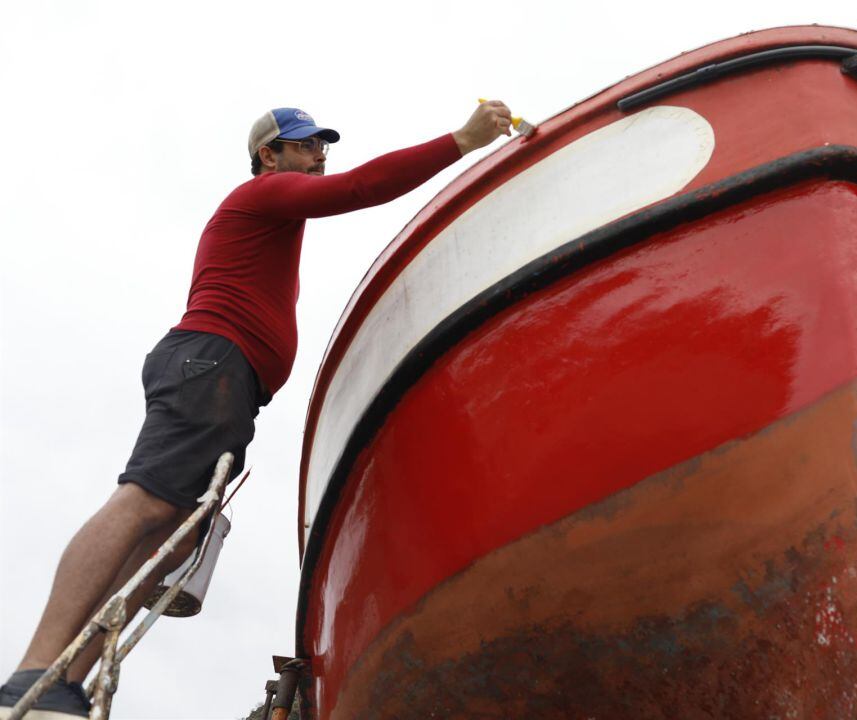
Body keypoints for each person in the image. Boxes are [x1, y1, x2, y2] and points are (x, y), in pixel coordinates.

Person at [0, 101, 514, 719]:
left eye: (322, 145)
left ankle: (61, 686)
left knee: (166, 529)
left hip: (224, 377)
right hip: (210, 363)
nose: (320, 154)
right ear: (269, 157)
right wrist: (460, 141)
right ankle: (31, 672)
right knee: (144, 500)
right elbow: (361, 188)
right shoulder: (262, 196)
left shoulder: (277, 214)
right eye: (305, 145)